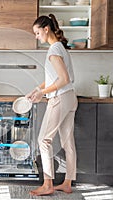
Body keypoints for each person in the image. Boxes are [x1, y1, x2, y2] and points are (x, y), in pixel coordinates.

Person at [26, 14, 78, 196]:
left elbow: (62, 80)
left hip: (60, 98)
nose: (36, 36)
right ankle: (67, 182)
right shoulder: (60, 48)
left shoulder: (53, 51)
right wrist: (36, 89)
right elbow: (55, 78)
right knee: (67, 142)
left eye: (37, 32)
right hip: (70, 97)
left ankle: (48, 184)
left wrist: (43, 93)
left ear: (45, 29)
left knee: (43, 140)